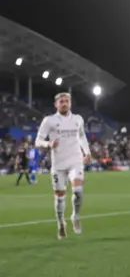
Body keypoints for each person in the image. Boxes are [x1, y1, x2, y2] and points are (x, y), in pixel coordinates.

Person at [35, 92, 91, 239]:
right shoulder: (49, 120)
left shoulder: (78, 119)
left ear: (70, 103)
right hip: (58, 163)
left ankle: (75, 216)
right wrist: (48, 143)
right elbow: (38, 140)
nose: (64, 103)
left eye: (67, 101)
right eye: (61, 102)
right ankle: (61, 223)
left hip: (75, 161)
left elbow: (81, 136)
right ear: (56, 104)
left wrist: (87, 152)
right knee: (60, 197)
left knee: (78, 190)